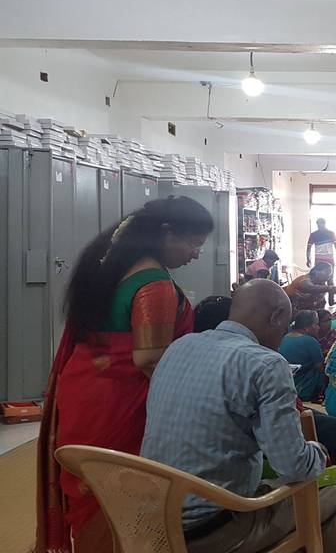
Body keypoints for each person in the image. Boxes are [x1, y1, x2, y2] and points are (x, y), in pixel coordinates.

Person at [36, 196, 214, 553]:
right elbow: (149, 359)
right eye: (193, 243)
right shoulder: (154, 284)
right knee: (120, 492)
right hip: (121, 403)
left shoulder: (112, 264)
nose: (196, 254)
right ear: (166, 233)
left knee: (91, 486)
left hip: (84, 390)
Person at [141, 280, 336, 553]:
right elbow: (293, 467)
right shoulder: (266, 364)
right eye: (284, 330)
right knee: (327, 497)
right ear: (274, 318)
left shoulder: (179, 347)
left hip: (150, 521)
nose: (281, 341)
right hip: (212, 530)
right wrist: (318, 451)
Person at [279, 310, 327, 402]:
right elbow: (320, 367)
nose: (318, 327)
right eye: (316, 324)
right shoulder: (310, 341)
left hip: (287, 384)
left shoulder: (286, 337)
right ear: (306, 327)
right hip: (303, 388)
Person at [306, 219, 336, 306]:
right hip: (321, 261)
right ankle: (322, 300)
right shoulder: (314, 234)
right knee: (320, 281)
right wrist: (308, 258)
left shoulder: (329, 233)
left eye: (321, 225)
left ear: (324, 224)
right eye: (318, 225)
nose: (320, 226)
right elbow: (309, 248)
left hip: (327, 260)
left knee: (329, 280)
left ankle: (330, 300)